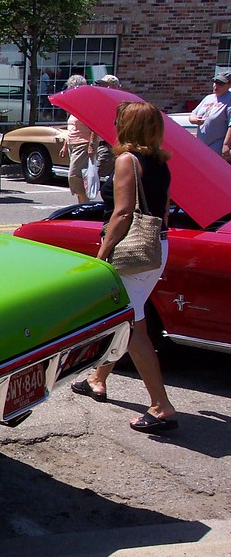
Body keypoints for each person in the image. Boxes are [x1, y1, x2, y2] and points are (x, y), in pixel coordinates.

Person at [70, 101, 177, 434]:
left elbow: (123, 212)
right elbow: (166, 208)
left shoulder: (127, 161)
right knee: (130, 314)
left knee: (133, 326)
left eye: (117, 121)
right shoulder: (161, 162)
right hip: (155, 245)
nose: (113, 125)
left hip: (131, 251)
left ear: (126, 126)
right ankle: (97, 378)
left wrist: (102, 253)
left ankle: (161, 407)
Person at [57, 75, 97, 203]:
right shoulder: (74, 106)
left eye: (71, 89)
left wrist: (92, 145)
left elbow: (94, 126)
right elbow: (71, 128)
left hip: (83, 144)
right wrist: (65, 145)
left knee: (74, 175)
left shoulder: (87, 105)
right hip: (73, 144)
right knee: (78, 177)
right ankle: (82, 204)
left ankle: (85, 204)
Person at [188, 72, 231, 156]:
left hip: (217, 144)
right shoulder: (208, 98)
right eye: (215, 82)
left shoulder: (229, 99)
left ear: (229, 85)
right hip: (201, 143)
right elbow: (193, 114)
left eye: (220, 83)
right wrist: (195, 120)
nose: (216, 85)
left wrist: (226, 145)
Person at [92, 74, 122, 180]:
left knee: (96, 175)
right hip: (104, 144)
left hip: (110, 145)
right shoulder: (104, 103)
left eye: (105, 85)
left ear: (112, 87)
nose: (103, 88)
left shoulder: (118, 105)